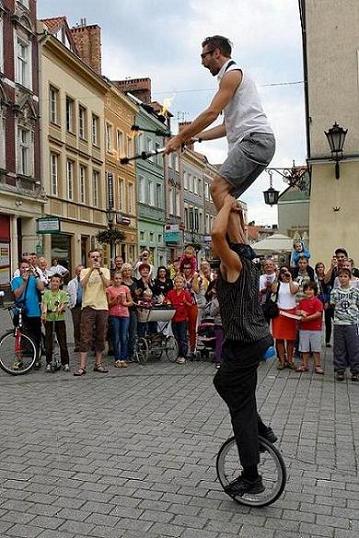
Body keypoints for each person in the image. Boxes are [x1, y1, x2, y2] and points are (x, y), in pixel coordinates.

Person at [165, 35, 275, 244]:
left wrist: (181, 136)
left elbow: (212, 113)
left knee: (216, 188)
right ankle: (240, 247)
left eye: (204, 56)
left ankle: (241, 249)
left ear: (217, 53)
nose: (202, 62)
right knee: (226, 198)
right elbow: (226, 126)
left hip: (254, 140)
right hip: (260, 143)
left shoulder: (231, 75)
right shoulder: (231, 80)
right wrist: (196, 137)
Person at [211, 194, 277, 497]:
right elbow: (231, 230)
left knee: (237, 405)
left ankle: (252, 476)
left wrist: (225, 206)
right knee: (240, 395)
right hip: (256, 338)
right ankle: (261, 427)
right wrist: (231, 205)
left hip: (243, 342)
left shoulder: (234, 262)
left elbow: (215, 233)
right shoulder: (251, 261)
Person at [74, 250, 111, 376]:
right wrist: (91, 270)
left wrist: (99, 270)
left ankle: (98, 364)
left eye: (97, 257)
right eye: (93, 257)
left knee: (101, 335)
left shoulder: (105, 271)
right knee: (85, 336)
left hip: (102, 307)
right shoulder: (84, 271)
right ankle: (82, 366)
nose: (95, 259)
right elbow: (82, 285)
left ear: (101, 258)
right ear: (89, 259)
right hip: (88, 306)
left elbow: (107, 284)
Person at [11, 259, 45, 369]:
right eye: (23, 267)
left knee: (36, 335)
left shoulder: (33, 279)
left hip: (34, 312)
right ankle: (19, 359)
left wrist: (35, 275)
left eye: (27, 267)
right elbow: (17, 294)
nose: (25, 269)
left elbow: (41, 287)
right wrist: (24, 282)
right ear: (19, 269)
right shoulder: (16, 280)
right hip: (20, 312)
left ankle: (36, 358)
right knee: (19, 336)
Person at [330, 267, 359, 382]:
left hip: (351, 323)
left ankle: (355, 371)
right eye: (340, 276)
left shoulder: (355, 292)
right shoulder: (335, 292)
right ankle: (340, 370)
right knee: (339, 348)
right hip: (338, 323)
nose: (342, 279)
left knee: (354, 347)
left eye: (345, 276)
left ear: (349, 278)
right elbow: (333, 305)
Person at [271, 266, 299, 370]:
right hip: (279, 312)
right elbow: (273, 289)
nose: (284, 274)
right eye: (282, 272)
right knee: (279, 339)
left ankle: (290, 360)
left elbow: (293, 291)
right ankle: (282, 361)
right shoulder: (278, 284)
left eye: (286, 272)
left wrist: (290, 279)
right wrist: (276, 276)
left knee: (291, 339)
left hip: (291, 312)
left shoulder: (295, 283)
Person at [41, 274, 70, 372]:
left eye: (57, 281)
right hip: (49, 320)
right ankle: (48, 362)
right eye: (53, 281)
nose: (54, 283)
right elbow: (44, 304)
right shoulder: (47, 293)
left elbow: (63, 304)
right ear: (50, 282)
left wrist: (59, 309)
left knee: (62, 342)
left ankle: (65, 363)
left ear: (60, 283)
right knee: (48, 342)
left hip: (59, 320)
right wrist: (44, 313)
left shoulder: (62, 293)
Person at [296, 281, 324, 374]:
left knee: (316, 348)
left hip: (315, 329)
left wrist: (306, 318)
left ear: (314, 291)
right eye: (306, 290)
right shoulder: (302, 301)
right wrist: (300, 312)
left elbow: (318, 314)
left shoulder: (318, 302)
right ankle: (304, 365)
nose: (308, 292)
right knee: (304, 348)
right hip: (303, 329)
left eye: (311, 290)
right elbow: (297, 311)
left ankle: (318, 366)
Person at [106, 271, 133, 368]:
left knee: (124, 337)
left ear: (122, 279)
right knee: (116, 337)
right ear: (113, 279)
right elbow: (108, 304)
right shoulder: (109, 289)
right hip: (114, 315)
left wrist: (124, 303)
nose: (118, 280)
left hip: (125, 315)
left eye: (119, 278)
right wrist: (115, 300)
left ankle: (123, 358)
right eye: (116, 278)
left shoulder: (125, 288)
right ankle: (117, 358)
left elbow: (131, 302)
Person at [165, 275, 192, 364]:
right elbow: (167, 300)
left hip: (183, 318)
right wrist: (168, 302)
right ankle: (178, 354)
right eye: (177, 282)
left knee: (183, 337)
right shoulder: (171, 292)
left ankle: (183, 355)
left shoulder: (186, 293)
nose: (178, 284)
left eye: (180, 282)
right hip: (174, 318)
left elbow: (190, 305)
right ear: (174, 283)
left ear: (183, 284)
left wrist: (185, 302)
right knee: (176, 337)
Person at [120, 263, 138, 361]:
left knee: (132, 332)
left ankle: (131, 353)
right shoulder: (121, 282)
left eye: (129, 270)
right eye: (125, 270)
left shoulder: (134, 281)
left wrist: (137, 294)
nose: (127, 272)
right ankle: (124, 354)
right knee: (124, 333)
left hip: (133, 309)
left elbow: (137, 294)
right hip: (123, 309)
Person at [182, 262, 199, 358]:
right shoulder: (180, 276)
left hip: (192, 304)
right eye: (185, 268)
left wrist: (193, 281)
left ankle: (192, 349)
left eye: (188, 268)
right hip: (182, 304)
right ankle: (184, 349)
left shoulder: (195, 276)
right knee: (183, 328)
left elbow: (196, 290)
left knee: (192, 328)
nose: (186, 270)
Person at [315, 262, 333, 348]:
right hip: (318, 301)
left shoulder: (327, 277)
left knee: (328, 321)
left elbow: (329, 290)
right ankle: (317, 339)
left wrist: (328, 302)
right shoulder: (314, 278)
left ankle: (327, 341)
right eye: (318, 267)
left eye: (322, 267)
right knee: (317, 321)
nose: (320, 269)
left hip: (326, 301)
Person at [67, 264, 84, 352]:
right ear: (76, 272)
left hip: (85, 306)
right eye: (78, 271)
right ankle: (77, 344)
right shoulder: (71, 283)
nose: (80, 272)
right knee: (77, 326)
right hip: (76, 307)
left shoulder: (87, 280)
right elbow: (68, 294)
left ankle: (85, 344)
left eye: (82, 271)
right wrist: (70, 305)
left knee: (85, 326)